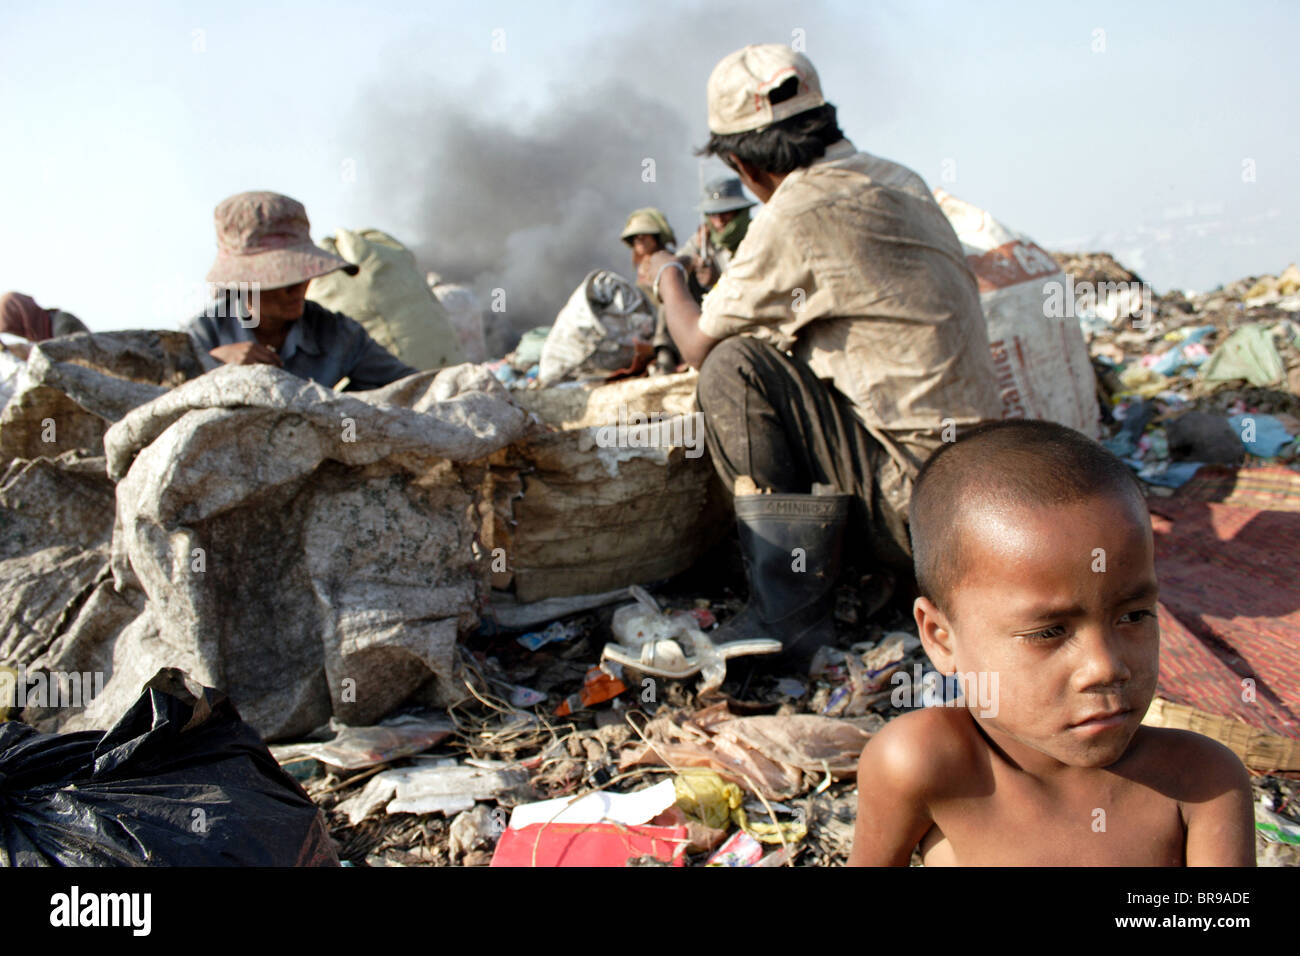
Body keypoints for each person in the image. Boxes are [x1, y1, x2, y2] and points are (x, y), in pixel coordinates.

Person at [638, 44, 1002, 665]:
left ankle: (788, 617)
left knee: (734, 366)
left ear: (742, 164)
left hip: (916, 507)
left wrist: (666, 275)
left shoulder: (795, 210)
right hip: (985, 493)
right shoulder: (900, 178)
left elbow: (700, 341)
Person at [848, 420, 1255, 866]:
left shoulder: (1201, 782)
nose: (1105, 667)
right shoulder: (922, 764)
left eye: (1134, 615)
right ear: (941, 640)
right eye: (1048, 632)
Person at [185, 191, 416, 391]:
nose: (297, 288)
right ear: (245, 285)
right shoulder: (204, 335)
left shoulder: (337, 334)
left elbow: (409, 386)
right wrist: (211, 365)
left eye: (301, 275)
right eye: (281, 278)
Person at [620, 207, 690, 373]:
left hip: (673, 326)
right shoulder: (641, 269)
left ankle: (664, 356)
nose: (640, 241)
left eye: (644, 236)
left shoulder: (671, 263)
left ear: (656, 237)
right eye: (636, 238)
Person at [675, 176, 755, 293]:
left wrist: (719, 280)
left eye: (725, 213)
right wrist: (693, 261)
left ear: (739, 212)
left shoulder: (756, 236)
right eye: (713, 214)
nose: (719, 220)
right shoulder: (703, 239)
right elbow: (677, 262)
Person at [0, 292, 90, 359]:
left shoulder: (64, 325)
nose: (20, 334)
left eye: (17, 329)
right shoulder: (40, 332)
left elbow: (73, 360)